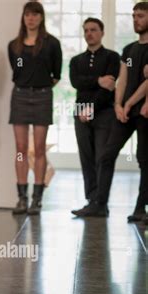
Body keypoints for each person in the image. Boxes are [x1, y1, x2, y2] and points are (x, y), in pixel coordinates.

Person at [73, 2, 148, 222]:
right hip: (123, 112)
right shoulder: (129, 50)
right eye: (134, 15)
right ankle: (98, 203)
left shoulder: (114, 55)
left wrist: (128, 103)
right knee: (106, 156)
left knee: (144, 159)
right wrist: (118, 104)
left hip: (142, 111)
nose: (136, 19)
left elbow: (146, 82)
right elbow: (123, 79)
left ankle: (140, 208)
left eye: (141, 16)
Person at [8, 1, 62, 215]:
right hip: (20, 95)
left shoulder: (52, 43)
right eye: (27, 14)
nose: (31, 18)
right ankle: (22, 198)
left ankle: (36, 200)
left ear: (41, 17)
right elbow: (16, 70)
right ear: (23, 17)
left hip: (42, 96)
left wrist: (39, 87)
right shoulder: (14, 45)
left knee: (39, 148)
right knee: (21, 149)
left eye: (35, 14)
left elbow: (56, 75)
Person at [69, 18, 120, 215]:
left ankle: (101, 202)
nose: (89, 33)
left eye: (94, 30)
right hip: (80, 113)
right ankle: (91, 200)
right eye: (86, 30)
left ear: (102, 32)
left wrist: (91, 106)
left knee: (102, 158)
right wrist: (98, 80)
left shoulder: (112, 57)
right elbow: (76, 82)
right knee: (86, 158)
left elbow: (109, 88)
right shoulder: (76, 61)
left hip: (104, 113)